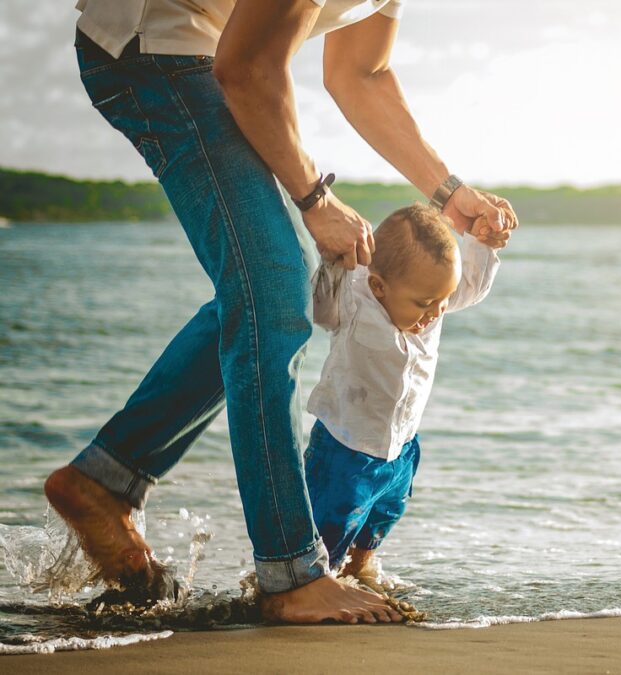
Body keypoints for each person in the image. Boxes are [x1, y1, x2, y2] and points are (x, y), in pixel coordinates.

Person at [45, 0, 517, 625]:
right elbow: (246, 68)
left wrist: (449, 194)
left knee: (269, 294)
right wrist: (315, 198)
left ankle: (104, 481)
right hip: (153, 50)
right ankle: (290, 573)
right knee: (272, 289)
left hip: (205, 52)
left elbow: (362, 73)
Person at [303, 203, 503, 589]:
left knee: (383, 515)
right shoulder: (354, 298)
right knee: (330, 525)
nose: (436, 312)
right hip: (345, 447)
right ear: (379, 286)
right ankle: (316, 585)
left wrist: (482, 242)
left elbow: (472, 285)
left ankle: (360, 571)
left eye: (443, 300)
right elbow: (317, 306)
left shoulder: (432, 294)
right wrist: (331, 259)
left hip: (403, 445)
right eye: (425, 304)